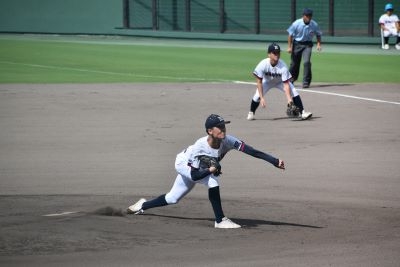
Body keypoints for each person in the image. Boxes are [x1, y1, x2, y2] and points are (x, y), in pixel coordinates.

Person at [127, 114, 285, 229]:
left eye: (224, 126)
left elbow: (252, 151)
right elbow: (195, 175)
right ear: (210, 131)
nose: (224, 129)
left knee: (172, 198)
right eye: (220, 127)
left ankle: (143, 205)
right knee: (212, 181)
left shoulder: (228, 140)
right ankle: (220, 220)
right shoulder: (199, 147)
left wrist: (274, 161)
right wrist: (211, 169)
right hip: (184, 165)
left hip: (199, 168)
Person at [246, 43, 313, 121]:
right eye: (274, 53)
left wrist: (289, 99)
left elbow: (286, 83)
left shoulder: (283, 66)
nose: (277, 54)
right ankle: (251, 113)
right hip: (267, 82)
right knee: (257, 96)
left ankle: (303, 113)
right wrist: (261, 98)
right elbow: (259, 82)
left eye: (278, 52)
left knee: (294, 91)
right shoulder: (263, 64)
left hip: (280, 82)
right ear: (269, 54)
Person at [287, 8, 322, 88]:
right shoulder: (296, 23)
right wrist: (289, 47)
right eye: (307, 15)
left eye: (310, 16)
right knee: (294, 63)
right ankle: (291, 80)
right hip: (297, 44)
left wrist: (319, 44)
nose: (309, 17)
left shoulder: (314, 24)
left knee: (307, 62)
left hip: (307, 45)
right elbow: (290, 35)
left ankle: (306, 82)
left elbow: (318, 34)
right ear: (303, 16)